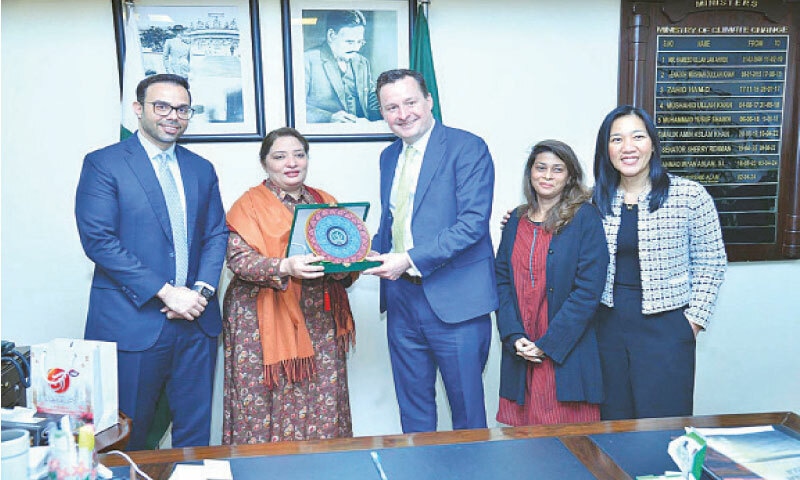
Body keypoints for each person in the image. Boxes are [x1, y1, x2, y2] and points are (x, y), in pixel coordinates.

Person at [75, 73, 228, 449]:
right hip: (134, 322)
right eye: (162, 106)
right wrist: (166, 293)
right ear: (139, 109)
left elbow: (216, 235)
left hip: (196, 320)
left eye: (182, 108)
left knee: (194, 435)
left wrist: (199, 293)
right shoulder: (104, 164)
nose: (172, 116)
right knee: (129, 438)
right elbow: (99, 241)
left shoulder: (200, 168)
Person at [364, 69, 498, 433]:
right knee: (414, 413)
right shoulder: (388, 156)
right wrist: (355, 255)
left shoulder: (467, 147)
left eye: (410, 102)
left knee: (468, 415)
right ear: (383, 113)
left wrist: (408, 259)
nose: (403, 114)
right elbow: (394, 226)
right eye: (391, 107)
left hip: (455, 303)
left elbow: (471, 225)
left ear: (428, 101)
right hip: (402, 301)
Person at [222, 127, 357, 444]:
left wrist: (350, 262)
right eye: (279, 156)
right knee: (261, 402)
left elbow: (340, 255)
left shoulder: (325, 201)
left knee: (322, 399)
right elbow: (238, 260)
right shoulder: (249, 205)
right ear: (265, 163)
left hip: (318, 320)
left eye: (298, 154)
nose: (291, 163)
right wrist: (285, 266)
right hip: (260, 322)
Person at [592, 105, 727, 420]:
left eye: (637, 137)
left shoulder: (690, 196)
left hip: (667, 327)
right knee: (614, 425)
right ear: (606, 149)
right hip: (607, 327)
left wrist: (692, 322)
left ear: (652, 143)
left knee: (665, 425)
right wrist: (516, 218)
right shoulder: (592, 200)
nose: (628, 147)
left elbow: (712, 263)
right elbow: (553, 226)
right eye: (616, 139)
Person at [495, 140, 608, 426]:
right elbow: (501, 281)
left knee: (571, 450)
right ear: (530, 172)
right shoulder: (515, 220)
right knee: (526, 452)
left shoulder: (586, 218)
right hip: (522, 351)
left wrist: (548, 344)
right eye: (541, 167)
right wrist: (512, 336)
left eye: (557, 170)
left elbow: (588, 291)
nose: (547, 176)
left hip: (565, 355)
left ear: (570, 176)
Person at [304, 10, 380, 123]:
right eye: (349, 42)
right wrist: (329, 117)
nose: (356, 48)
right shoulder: (308, 60)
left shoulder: (362, 62)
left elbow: (371, 99)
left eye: (360, 42)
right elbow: (298, 108)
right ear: (331, 36)